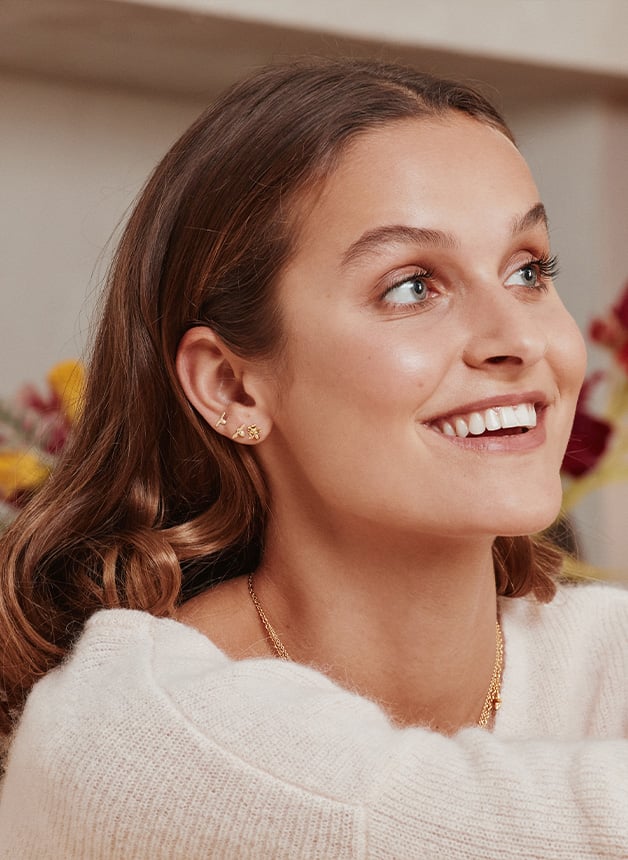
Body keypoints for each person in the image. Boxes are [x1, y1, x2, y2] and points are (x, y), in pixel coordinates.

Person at [0, 58, 626, 859]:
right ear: (233, 386)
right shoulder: (132, 734)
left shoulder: (598, 656)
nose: (518, 339)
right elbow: (376, 819)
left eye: (529, 270)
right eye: (411, 287)